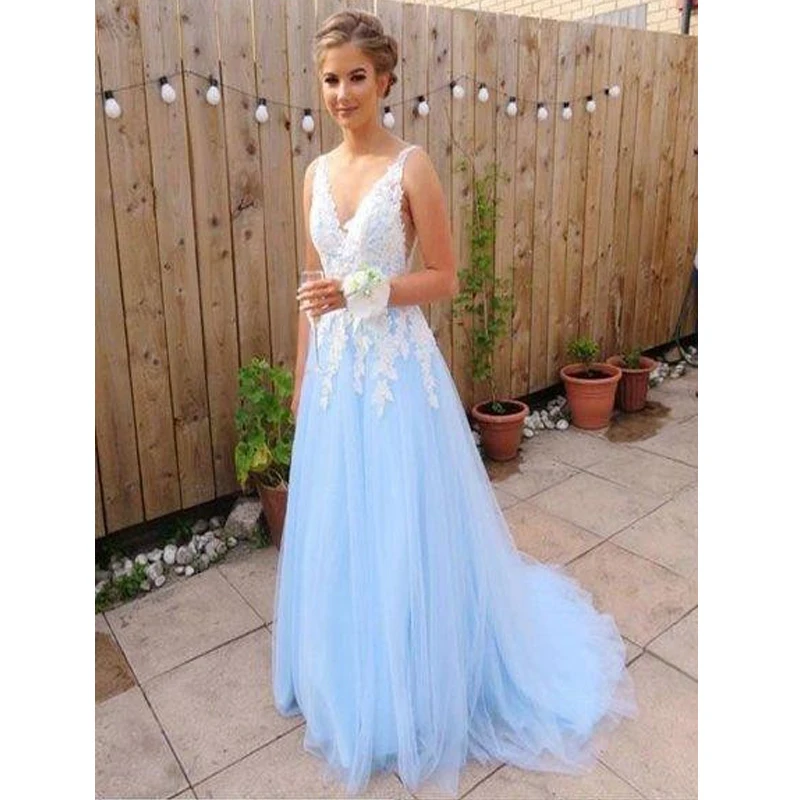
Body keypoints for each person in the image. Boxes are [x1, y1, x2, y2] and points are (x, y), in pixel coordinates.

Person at [271, 10, 637, 798]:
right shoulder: (313, 173)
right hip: (334, 381)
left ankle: (417, 682)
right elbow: (311, 288)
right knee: (342, 526)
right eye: (330, 79)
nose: (342, 93)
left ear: (385, 79)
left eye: (357, 76)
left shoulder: (411, 166)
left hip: (396, 378)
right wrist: (302, 378)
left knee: (404, 524)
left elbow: (443, 276)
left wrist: (367, 289)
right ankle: (347, 676)